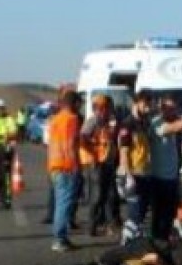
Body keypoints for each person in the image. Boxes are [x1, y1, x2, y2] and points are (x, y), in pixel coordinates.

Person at [150, 95, 182, 240]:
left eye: (173, 108)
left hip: (172, 175)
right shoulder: (157, 123)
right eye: (168, 108)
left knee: (170, 213)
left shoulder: (175, 121)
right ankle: (155, 241)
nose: (171, 111)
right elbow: (171, 128)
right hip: (159, 177)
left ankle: (165, 239)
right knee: (158, 214)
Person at [45, 86, 82, 251]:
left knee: (60, 202)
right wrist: (76, 166)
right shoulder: (72, 119)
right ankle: (59, 239)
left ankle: (62, 238)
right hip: (67, 166)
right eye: (78, 103)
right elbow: (71, 145)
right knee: (64, 204)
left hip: (54, 165)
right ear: (73, 103)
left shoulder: (55, 119)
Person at [116, 90, 155, 242]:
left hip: (144, 173)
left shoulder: (144, 123)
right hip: (132, 174)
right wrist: (128, 176)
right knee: (135, 213)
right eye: (146, 104)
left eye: (150, 104)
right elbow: (124, 152)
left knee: (142, 213)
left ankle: (134, 243)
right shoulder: (127, 124)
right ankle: (125, 244)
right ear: (138, 103)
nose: (148, 107)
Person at [80, 94, 120, 236]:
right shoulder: (93, 121)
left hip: (106, 163)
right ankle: (92, 226)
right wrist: (93, 156)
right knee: (97, 196)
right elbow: (83, 139)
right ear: (101, 108)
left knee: (109, 195)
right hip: (95, 165)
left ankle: (109, 224)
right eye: (108, 107)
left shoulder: (106, 122)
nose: (110, 110)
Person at [0, 99, 19, 208]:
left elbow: (14, 133)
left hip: (6, 150)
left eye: (0, 108)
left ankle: (6, 199)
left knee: (6, 175)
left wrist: (4, 136)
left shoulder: (9, 119)